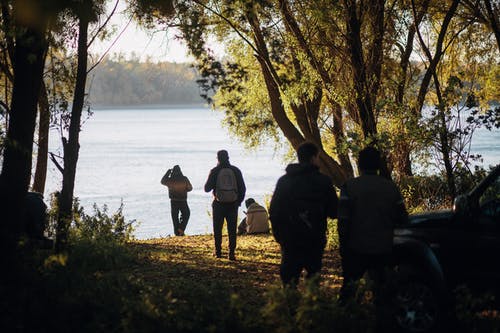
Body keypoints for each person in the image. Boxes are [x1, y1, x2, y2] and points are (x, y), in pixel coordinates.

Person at [337, 146, 408, 312]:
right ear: (378, 165)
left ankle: (343, 320)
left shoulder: (349, 186)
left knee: (349, 289)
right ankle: (384, 322)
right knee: (383, 292)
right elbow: (402, 218)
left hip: (355, 248)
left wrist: (343, 245)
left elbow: (343, 220)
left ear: (359, 165)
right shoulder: (390, 187)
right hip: (383, 248)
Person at [269, 142, 338, 287]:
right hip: (314, 237)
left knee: (289, 279)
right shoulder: (323, 181)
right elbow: (334, 211)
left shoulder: (284, 181)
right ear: (314, 158)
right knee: (313, 277)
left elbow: (274, 210)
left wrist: (279, 235)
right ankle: (310, 306)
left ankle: (290, 306)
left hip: (290, 238)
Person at [204, 150, 246, 260]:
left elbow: (206, 188)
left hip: (218, 204)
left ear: (217, 158)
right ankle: (231, 253)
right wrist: (238, 202)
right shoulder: (236, 170)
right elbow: (243, 188)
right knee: (232, 230)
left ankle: (218, 252)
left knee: (217, 229)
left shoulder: (215, 171)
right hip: (233, 204)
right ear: (228, 157)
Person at [161, 165, 193, 236]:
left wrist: (168, 172)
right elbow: (190, 188)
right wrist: (185, 190)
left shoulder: (170, 180)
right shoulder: (184, 179)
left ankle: (177, 233)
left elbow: (162, 181)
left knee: (175, 217)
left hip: (173, 200)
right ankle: (181, 229)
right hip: (183, 200)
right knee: (186, 214)